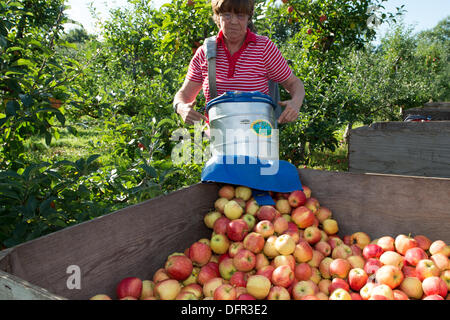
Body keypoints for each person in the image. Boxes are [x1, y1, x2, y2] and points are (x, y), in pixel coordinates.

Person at [173, 0, 305, 125]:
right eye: (227, 15)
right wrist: (181, 108)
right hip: (220, 140)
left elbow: (294, 84)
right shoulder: (205, 53)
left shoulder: (264, 48)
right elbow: (183, 95)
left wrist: (296, 102)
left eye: (240, 15)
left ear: (248, 18)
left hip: (258, 138)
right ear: (218, 17)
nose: (234, 21)